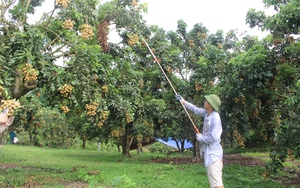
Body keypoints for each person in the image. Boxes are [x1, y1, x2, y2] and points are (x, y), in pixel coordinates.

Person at [176, 94, 224, 188]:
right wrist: (183, 101)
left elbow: (214, 137)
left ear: (210, 104)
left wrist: (201, 138)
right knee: (214, 183)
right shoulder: (207, 113)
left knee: (217, 184)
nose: (204, 102)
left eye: (206, 101)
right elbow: (195, 109)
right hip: (210, 154)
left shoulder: (215, 118)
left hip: (213, 155)